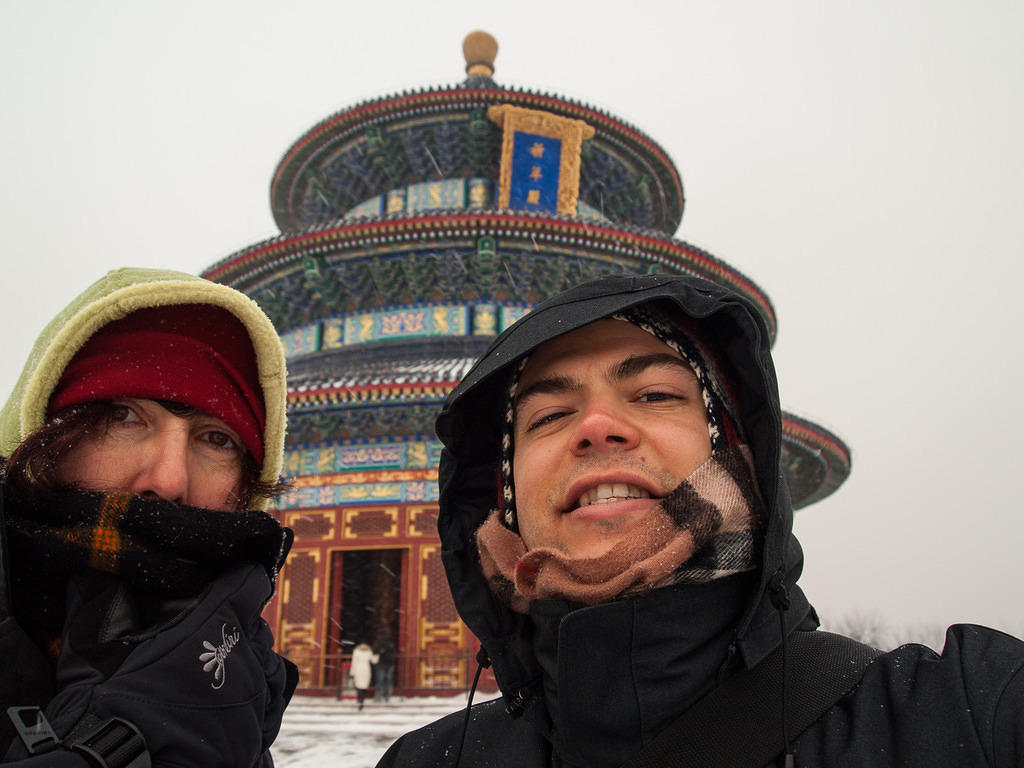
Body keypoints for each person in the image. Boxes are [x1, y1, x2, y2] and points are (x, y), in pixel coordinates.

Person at [378, 273, 1024, 767]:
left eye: (656, 394)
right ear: (503, 492)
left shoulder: (966, 713)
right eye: (549, 416)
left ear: (739, 453)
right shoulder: (431, 760)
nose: (599, 427)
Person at [0, 267, 298, 767]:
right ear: (40, 437)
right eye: (123, 416)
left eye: (216, 439)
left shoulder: (236, 684)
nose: (169, 480)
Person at [350, 642, 378, 711]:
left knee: (358, 685)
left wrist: (352, 673)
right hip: (366, 668)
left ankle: (359, 699)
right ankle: (362, 700)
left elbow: (354, 662)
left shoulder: (356, 652)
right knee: (364, 686)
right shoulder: (369, 651)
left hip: (358, 668)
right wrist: (377, 654)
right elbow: (374, 661)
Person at [372, 628, 397, 702]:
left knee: (380, 680)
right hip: (389, 664)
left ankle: (378, 697)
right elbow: (393, 652)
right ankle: (388, 696)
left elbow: (374, 651)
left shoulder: (378, 643)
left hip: (381, 664)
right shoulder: (389, 643)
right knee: (388, 680)